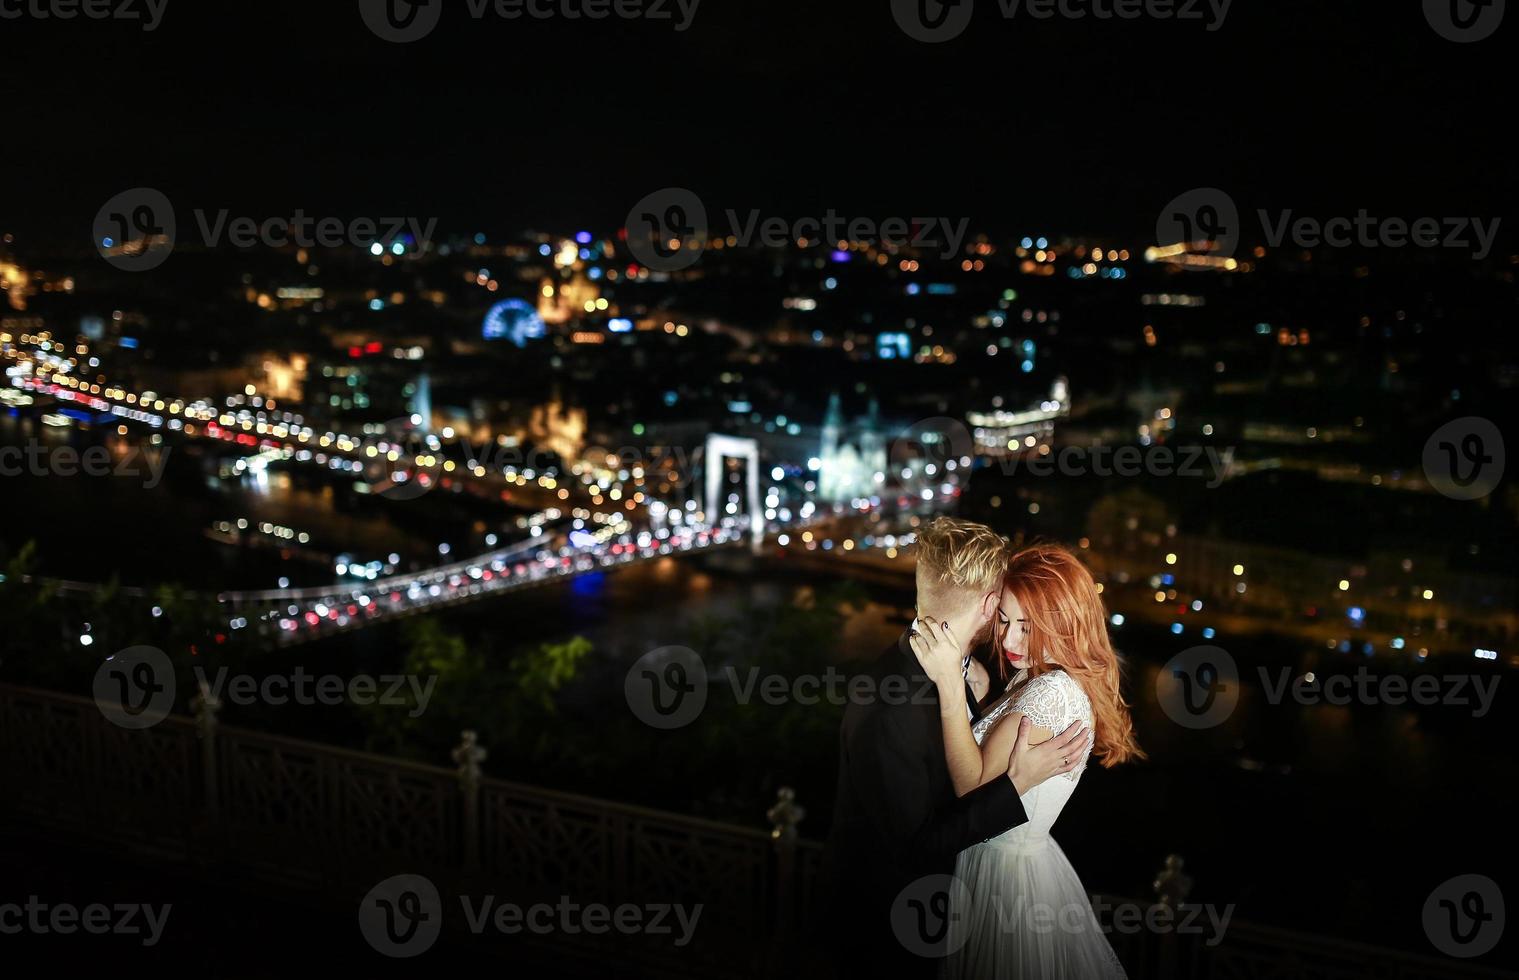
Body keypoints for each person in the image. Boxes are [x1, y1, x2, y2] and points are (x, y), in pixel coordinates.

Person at [821, 519, 1091, 979]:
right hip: (891, 936)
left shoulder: (960, 671)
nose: (1009, 637)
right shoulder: (892, 704)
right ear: (990, 605)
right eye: (1005, 619)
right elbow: (916, 849)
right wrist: (1017, 782)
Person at [910, 542, 1144, 978]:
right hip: (1013, 862)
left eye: (1026, 626)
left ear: (1066, 622)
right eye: (1003, 621)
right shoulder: (1040, 677)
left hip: (1003, 876)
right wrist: (981, 704)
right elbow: (995, 756)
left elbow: (972, 786)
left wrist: (947, 684)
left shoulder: (1050, 692)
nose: (1009, 640)